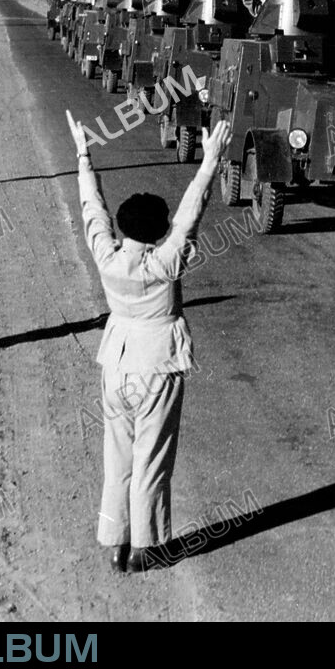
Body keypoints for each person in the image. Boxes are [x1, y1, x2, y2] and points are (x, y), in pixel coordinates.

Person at [66, 110, 234, 573]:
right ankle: (146, 546)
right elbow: (190, 214)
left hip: (116, 366)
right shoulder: (165, 263)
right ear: (158, 231)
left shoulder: (107, 256)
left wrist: (84, 155)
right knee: (151, 458)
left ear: (123, 228)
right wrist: (211, 160)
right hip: (158, 367)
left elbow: (91, 210)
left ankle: (114, 542)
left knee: (117, 455)